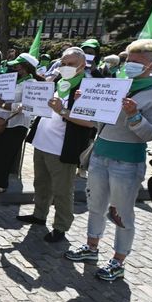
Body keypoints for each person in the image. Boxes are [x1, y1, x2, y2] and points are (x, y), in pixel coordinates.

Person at [64, 39, 152, 281]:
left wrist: (134, 115)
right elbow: (99, 123)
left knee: (122, 213)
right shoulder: (118, 86)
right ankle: (91, 248)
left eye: (137, 62)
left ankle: (118, 260)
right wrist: (87, 102)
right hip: (101, 155)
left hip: (127, 161)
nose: (130, 65)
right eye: (129, 61)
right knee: (95, 206)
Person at [19, 47, 95, 242]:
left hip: (63, 148)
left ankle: (61, 226)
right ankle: (39, 215)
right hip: (42, 142)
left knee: (62, 190)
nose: (66, 67)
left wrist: (63, 111)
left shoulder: (87, 87)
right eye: (63, 63)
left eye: (71, 64)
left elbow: (89, 122)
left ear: (82, 65)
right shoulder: (59, 82)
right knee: (41, 184)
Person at [0, 53, 38, 194]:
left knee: (5, 155)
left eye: (19, 65)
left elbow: (26, 106)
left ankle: (1, 184)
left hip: (16, 125)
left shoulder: (31, 84)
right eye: (16, 65)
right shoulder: (13, 80)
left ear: (27, 67)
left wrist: (4, 105)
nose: (16, 67)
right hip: (1, 122)